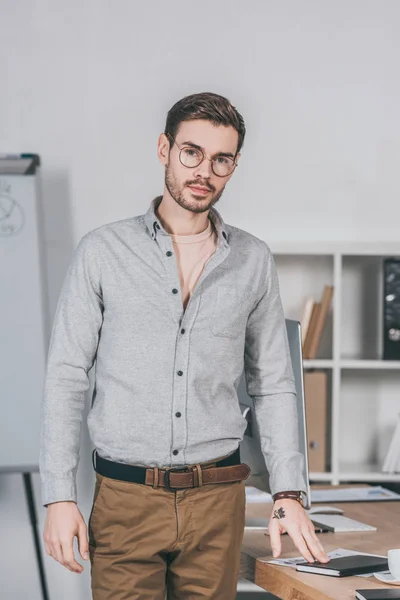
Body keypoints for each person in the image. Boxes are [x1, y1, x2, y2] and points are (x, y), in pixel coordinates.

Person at [39, 91, 329, 600]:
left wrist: (288, 491)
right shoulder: (103, 252)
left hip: (218, 501)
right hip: (126, 500)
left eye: (221, 159)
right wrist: (59, 497)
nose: (204, 171)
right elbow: (66, 376)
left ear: (234, 166)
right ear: (164, 149)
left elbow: (274, 385)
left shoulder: (252, 260)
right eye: (191, 152)